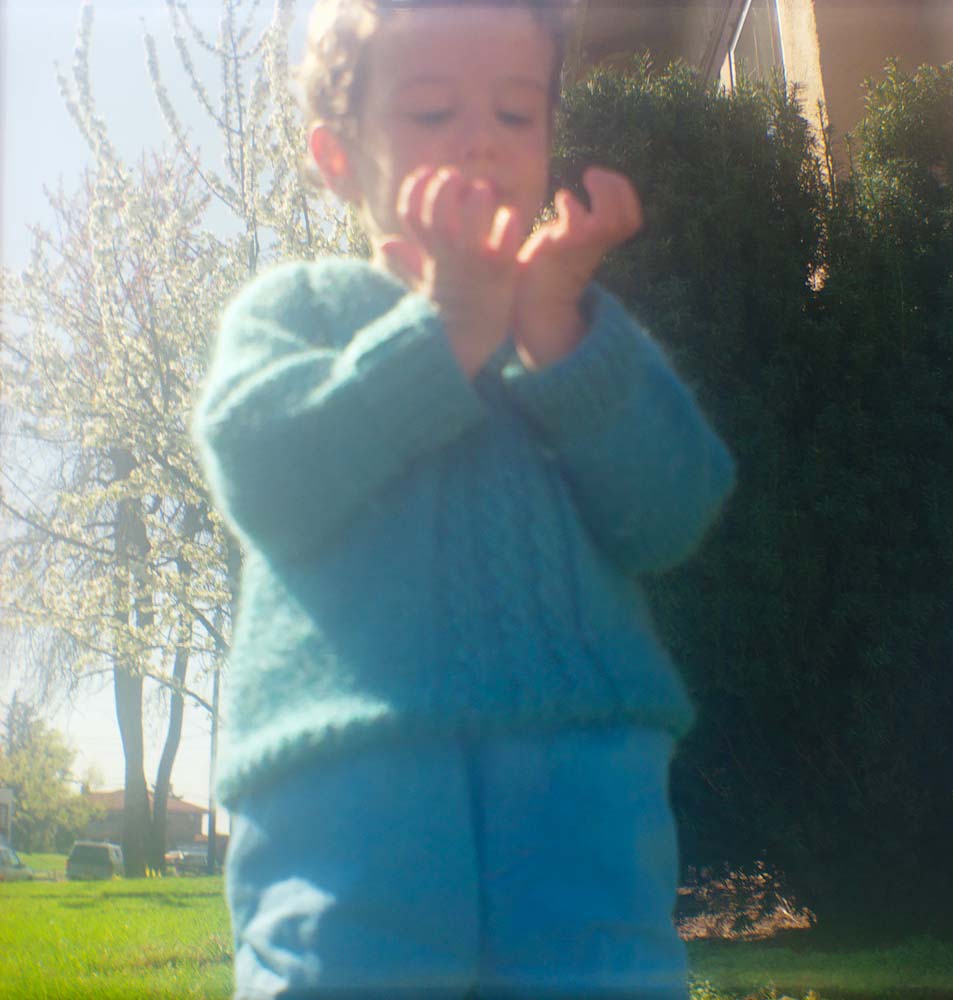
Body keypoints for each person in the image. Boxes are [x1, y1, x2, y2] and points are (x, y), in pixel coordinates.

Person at [193, 1, 736, 997]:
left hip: (583, 765)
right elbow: (266, 474)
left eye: (517, 114)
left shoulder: (571, 327)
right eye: (434, 111)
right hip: (349, 763)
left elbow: (671, 513)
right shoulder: (302, 310)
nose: (482, 137)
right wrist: (444, 326)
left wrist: (558, 337)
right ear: (339, 156)